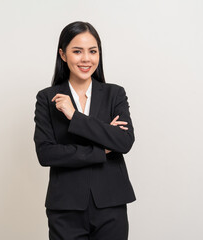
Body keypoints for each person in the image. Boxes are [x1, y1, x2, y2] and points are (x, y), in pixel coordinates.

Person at [33, 21, 136, 240]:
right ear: (63, 54)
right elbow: (46, 154)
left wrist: (74, 116)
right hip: (65, 208)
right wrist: (102, 149)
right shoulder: (47, 98)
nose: (86, 59)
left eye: (93, 51)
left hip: (111, 203)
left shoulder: (114, 94)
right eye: (77, 51)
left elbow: (124, 142)